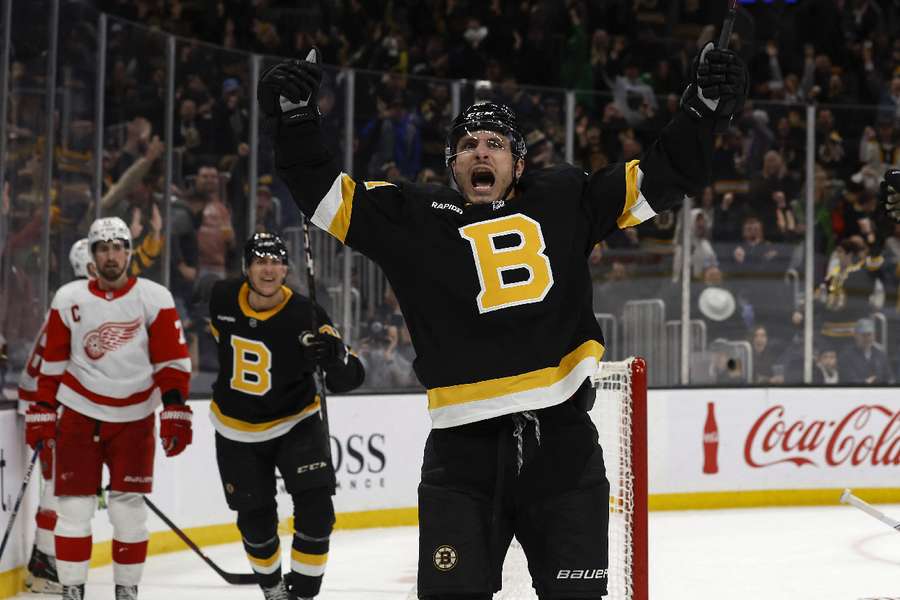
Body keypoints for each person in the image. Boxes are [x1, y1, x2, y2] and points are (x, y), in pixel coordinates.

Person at [258, 43, 746, 599]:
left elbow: (663, 177)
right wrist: (296, 118)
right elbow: (323, 196)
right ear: (452, 166)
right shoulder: (415, 217)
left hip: (561, 446)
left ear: (518, 163)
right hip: (460, 457)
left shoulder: (565, 196)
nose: (480, 153)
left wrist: (704, 108)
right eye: (467, 146)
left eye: (494, 144)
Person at [23, 217, 193, 600]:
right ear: (93, 256)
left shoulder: (155, 297)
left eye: (118, 247)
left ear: (129, 253)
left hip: (133, 419)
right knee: (73, 508)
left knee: (128, 510)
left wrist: (175, 408)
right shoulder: (69, 298)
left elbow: (172, 362)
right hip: (79, 413)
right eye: (103, 248)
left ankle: (126, 589)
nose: (111, 255)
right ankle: (71, 588)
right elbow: (52, 364)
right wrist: (42, 408)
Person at [207, 232, 364, 600]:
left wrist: (334, 357)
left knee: (318, 513)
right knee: (255, 522)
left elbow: (350, 377)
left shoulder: (306, 315)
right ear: (247, 267)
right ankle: (274, 591)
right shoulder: (222, 297)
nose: (268, 268)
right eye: (260, 261)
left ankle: (305, 594)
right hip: (236, 430)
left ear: (287, 268)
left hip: (297, 422)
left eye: (276, 261)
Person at [18, 238, 95, 594]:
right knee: (61, 488)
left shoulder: (74, 300)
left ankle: (45, 561)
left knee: (63, 487)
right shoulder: (81, 303)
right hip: (48, 406)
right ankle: (45, 565)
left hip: (46, 402)